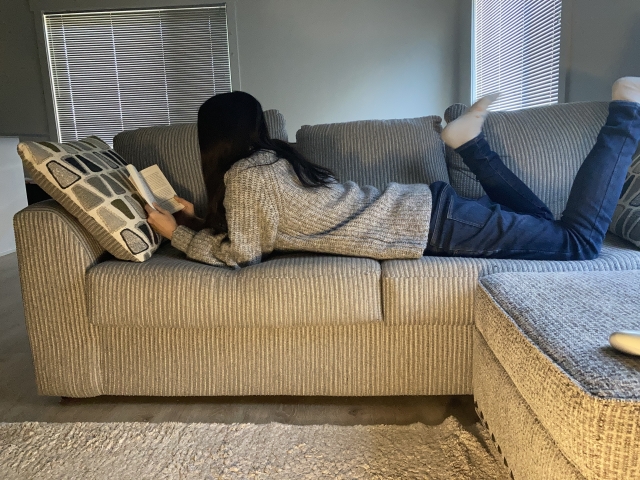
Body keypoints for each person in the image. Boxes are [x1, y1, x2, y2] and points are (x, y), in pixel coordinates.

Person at [145, 78, 640, 268]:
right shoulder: (270, 163)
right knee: (545, 224)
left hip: (434, 225)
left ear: (212, 141)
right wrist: (193, 219)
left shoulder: (246, 178)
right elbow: (253, 231)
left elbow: (242, 253)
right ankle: (470, 144)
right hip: (429, 212)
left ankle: (626, 114)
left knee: (579, 243)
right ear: (255, 128)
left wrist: (175, 236)